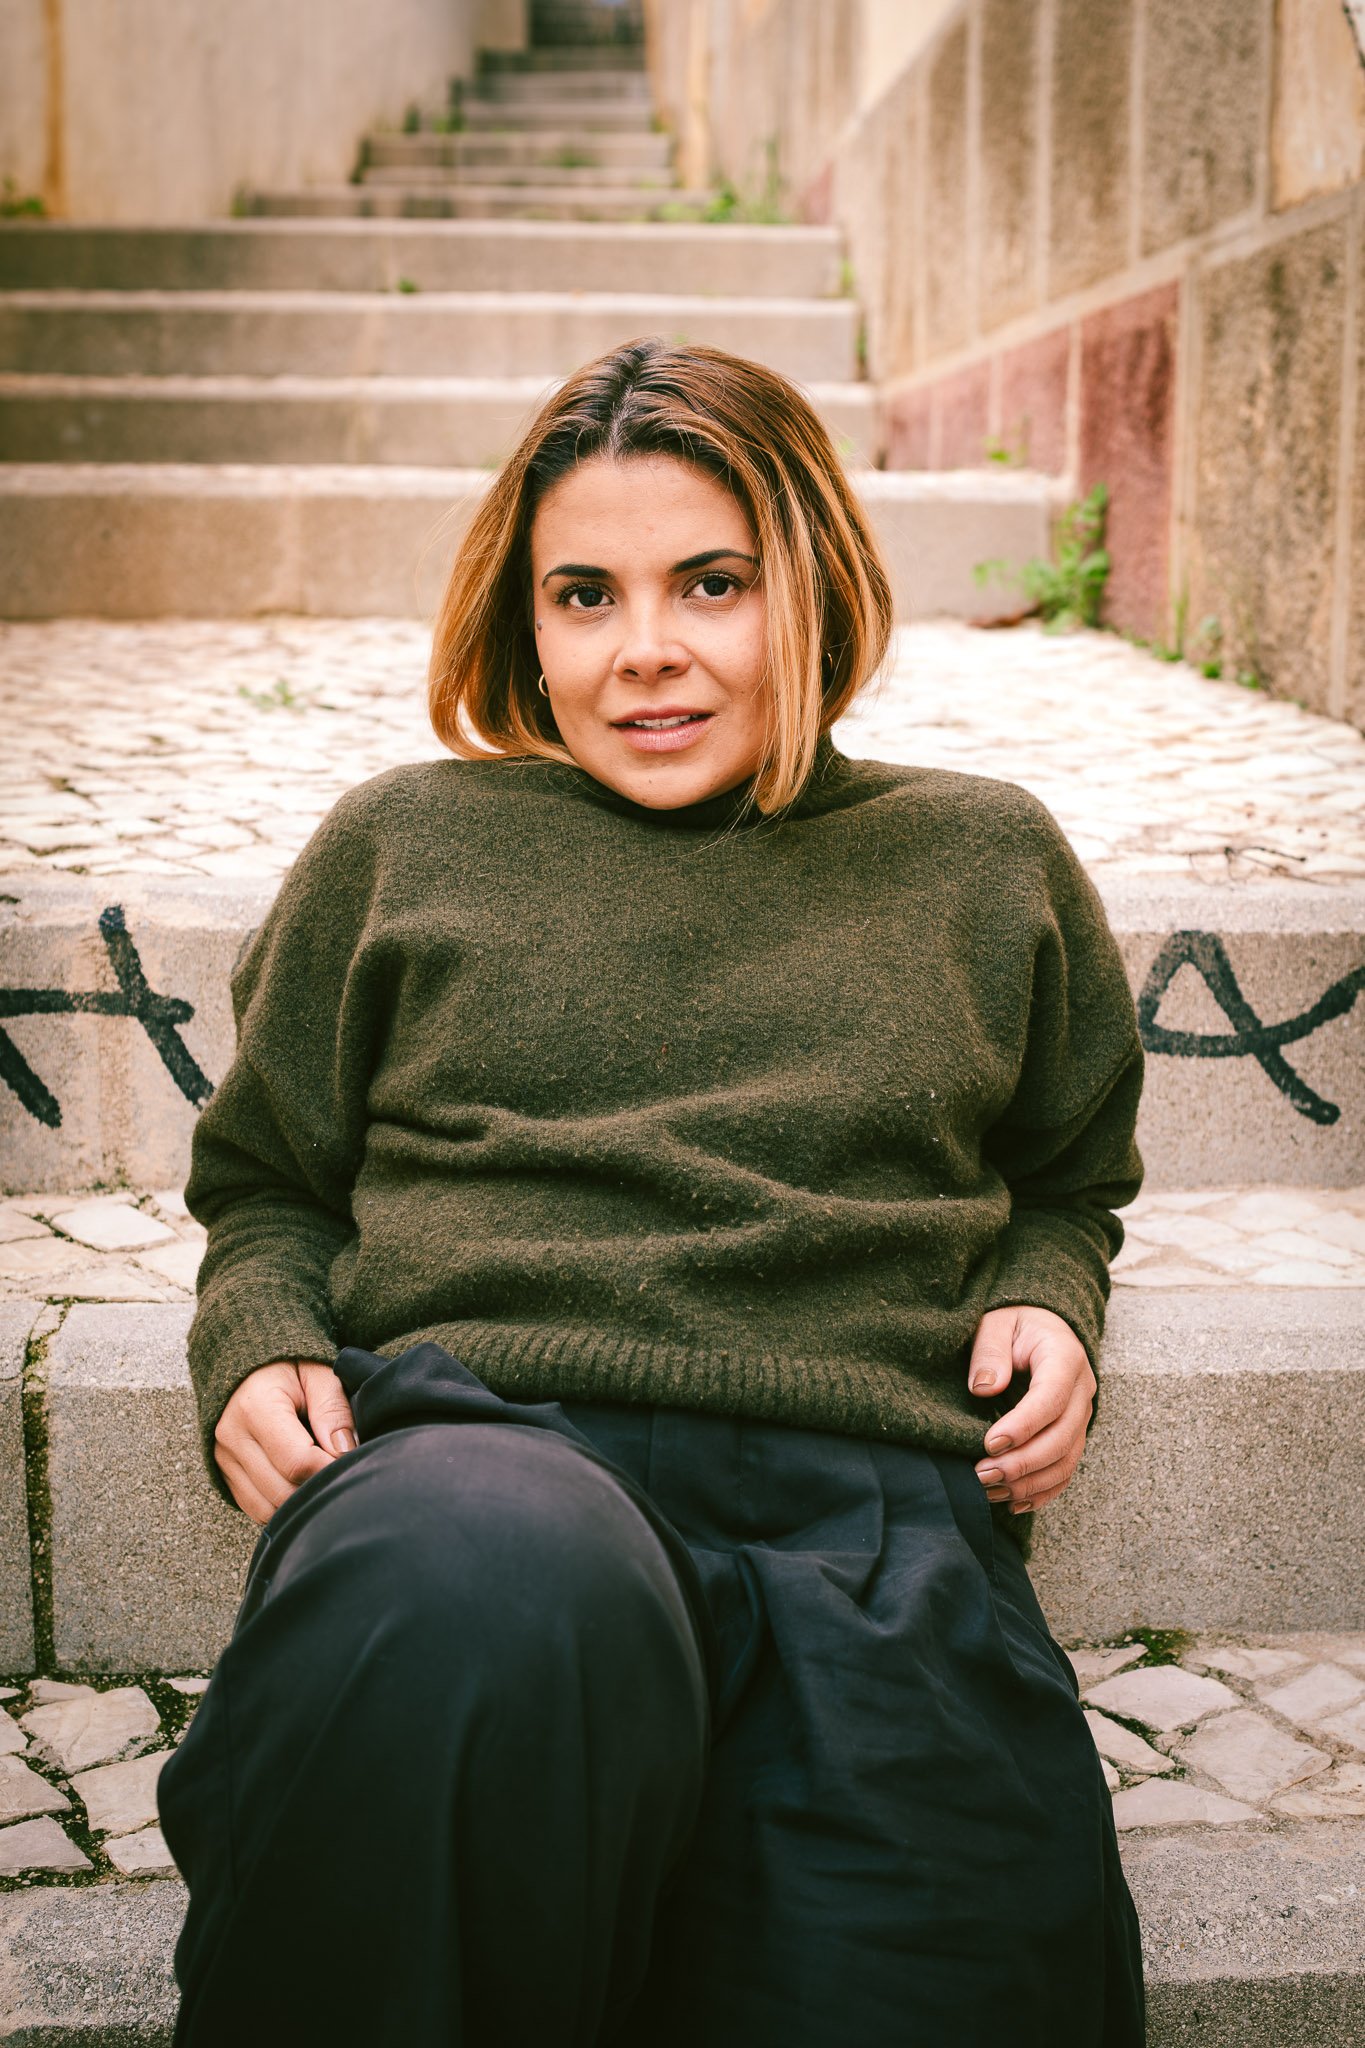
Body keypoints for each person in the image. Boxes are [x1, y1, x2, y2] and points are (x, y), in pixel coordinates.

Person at [157, 338, 1147, 2047]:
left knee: (938, 1972)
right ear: (521, 626)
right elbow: (265, 1181)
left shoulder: (984, 859)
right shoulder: (408, 844)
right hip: (488, 1465)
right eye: (583, 596)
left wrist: (1052, 1297)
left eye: (710, 583)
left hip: (873, 1534)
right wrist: (253, 1333)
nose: (646, 653)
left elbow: (1066, 1176)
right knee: (474, 1594)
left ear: (819, 582)